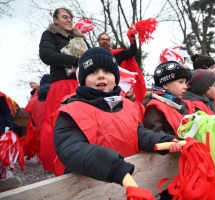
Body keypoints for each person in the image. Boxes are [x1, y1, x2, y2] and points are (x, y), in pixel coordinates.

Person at [52, 47, 182, 191]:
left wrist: (164, 140)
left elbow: (138, 133)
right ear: (82, 80)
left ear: (116, 79)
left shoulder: (127, 105)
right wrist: (113, 166)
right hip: (91, 189)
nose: (101, 76)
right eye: (93, 72)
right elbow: (73, 150)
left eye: (107, 71)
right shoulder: (70, 112)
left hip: (127, 183)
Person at [39, 7, 90, 172]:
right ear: (55, 20)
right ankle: (58, 165)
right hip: (61, 85)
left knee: (85, 122)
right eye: (65, 17)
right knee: (58, 124)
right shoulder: (49, 34)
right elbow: (46, 55)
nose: (69, 20)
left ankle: (89, 159)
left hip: (82, 85)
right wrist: (76, 61)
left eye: (71, 18)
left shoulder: (80, 38)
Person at [143, 61, 195, 135]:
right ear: (165, 85)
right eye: (181, 82)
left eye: (185, 83)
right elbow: (156, 135)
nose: (185, 87)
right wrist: (174, 142)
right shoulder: (155, 107)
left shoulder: (183, 104)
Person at [97, 28, 146, 102]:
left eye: (107, 40)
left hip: (115, 87)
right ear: (99, 41)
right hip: (99, 85)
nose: (105, 41)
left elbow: (132, 51)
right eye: (103, 39)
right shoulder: (94, 55)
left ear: (109, 42)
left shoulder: (117, 55)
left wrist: (132, 35)